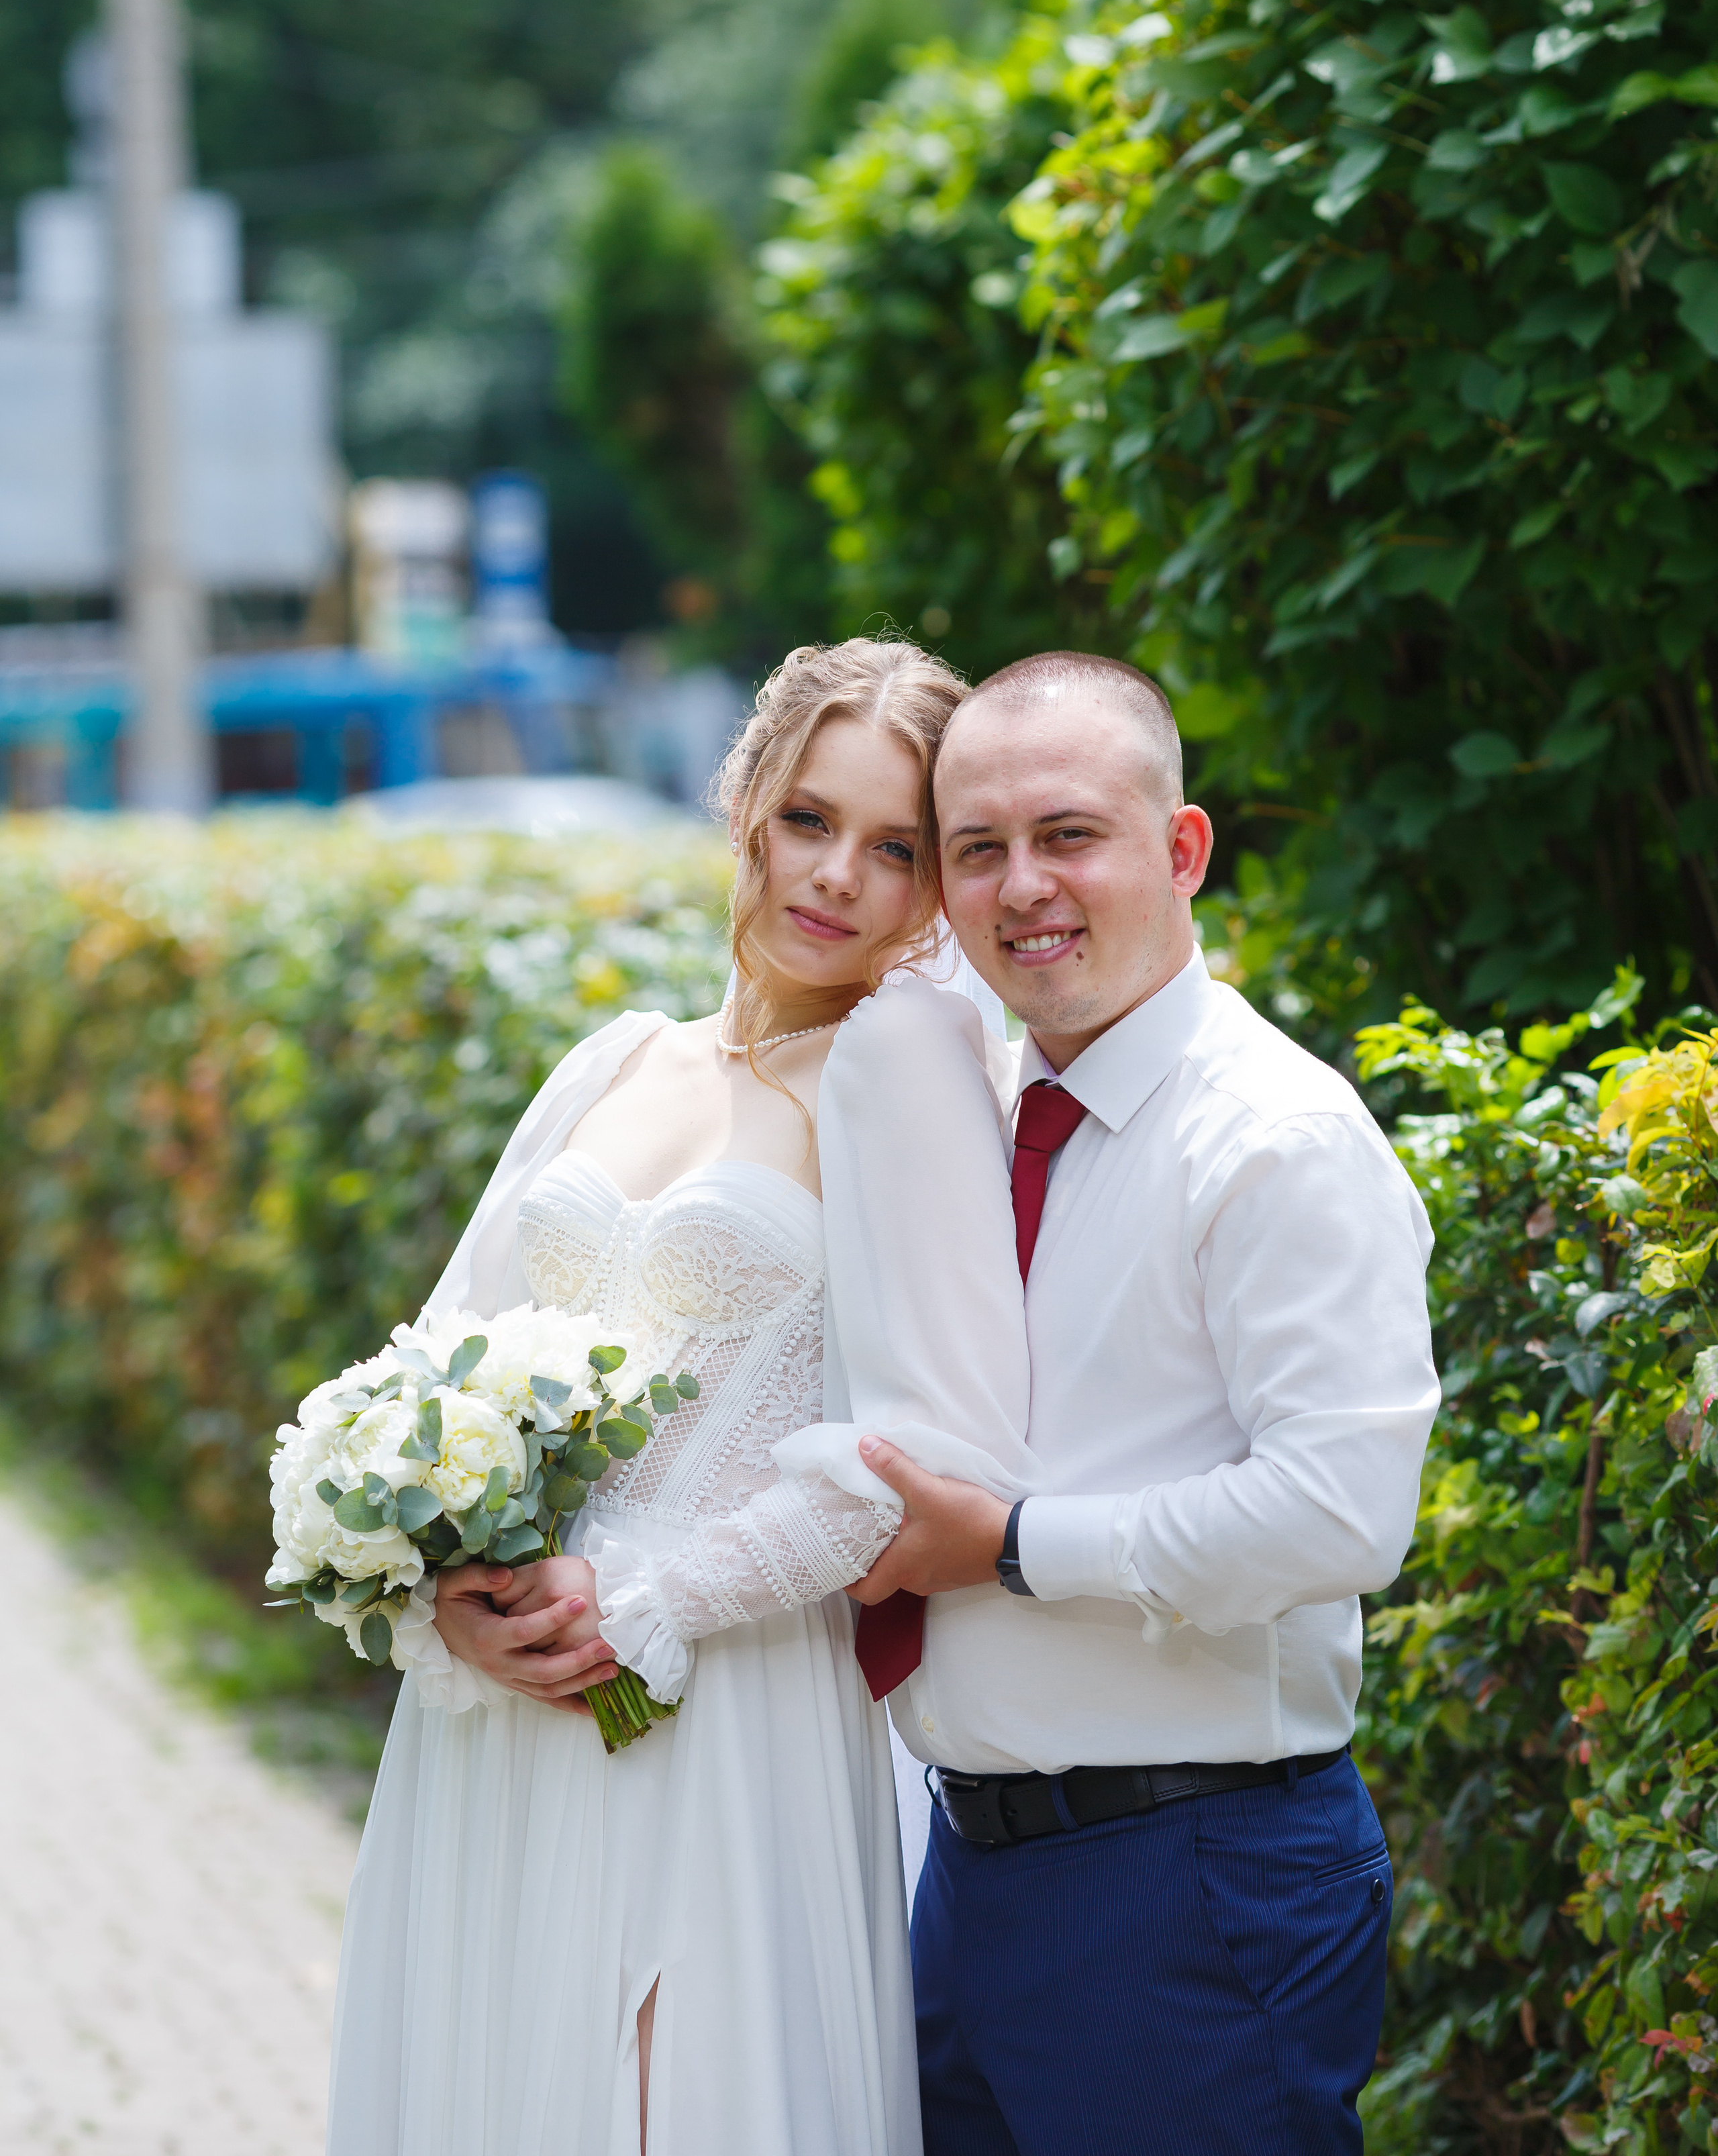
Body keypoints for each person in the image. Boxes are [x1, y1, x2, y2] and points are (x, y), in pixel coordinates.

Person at [324, 637, 1035, 2156]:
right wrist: (440, 1584)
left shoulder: (899, 1067)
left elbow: (925, 1451)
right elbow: (435, 1363)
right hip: (499, 1707)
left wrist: (647, 1602)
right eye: (807, 820)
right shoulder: (613, 1062)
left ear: (928, 894)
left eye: (894, 848)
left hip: (719, 1712)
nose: (837, 874)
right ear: (744, 802)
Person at [843, 650, 1440, 2156]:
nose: (1021, 886)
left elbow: (1339, 1514)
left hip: (1188, 1883)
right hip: (971, 1875)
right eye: (975, 849)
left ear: (1178, 852)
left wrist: (1012, 1545)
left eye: (1067, 835)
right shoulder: (978, 1115)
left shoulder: (1272, 1139)